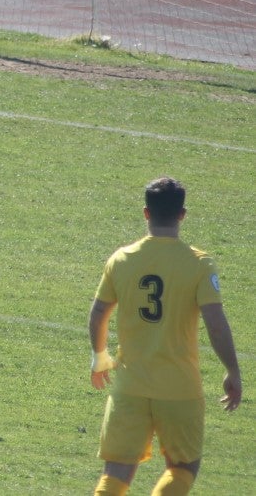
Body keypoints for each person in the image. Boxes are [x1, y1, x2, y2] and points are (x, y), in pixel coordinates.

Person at [87, 177, 242, 496]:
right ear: (182, 214)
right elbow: (215, 323)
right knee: (182, 468)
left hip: (130, 387)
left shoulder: (122, 259)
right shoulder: (199, 264)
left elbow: (99, 312)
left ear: (146, 213)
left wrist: (100, 357)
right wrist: (233, 370)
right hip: (180, 389)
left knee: (116, 472)